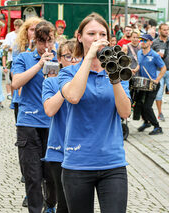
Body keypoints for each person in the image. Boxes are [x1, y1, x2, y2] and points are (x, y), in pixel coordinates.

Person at [58, 13, 131, 213]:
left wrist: (114, 76)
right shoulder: (68, 72)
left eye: (102, 33)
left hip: (112, 163)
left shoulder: (118, 70)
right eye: (91, 33)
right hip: (78, 163)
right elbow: (73, 96)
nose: (97, 38)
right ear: (80, 37)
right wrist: (89, 57)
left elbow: (125, 112)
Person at [12, 20, 57, 213]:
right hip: (28, 122)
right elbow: (16, 83)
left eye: (49, 40)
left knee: (53, 175)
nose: (45, 46)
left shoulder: (62, 59)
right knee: (32, 175)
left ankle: (51, 205)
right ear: (34, 39)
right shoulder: (23, 58)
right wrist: (40, 64)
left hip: (53, 123)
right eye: (41, 41)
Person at [42, 40, 79, 213]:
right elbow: (49, 109)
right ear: (59, 59)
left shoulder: (87, 82)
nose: (73, 61)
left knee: (78, 202)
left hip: (82, 150)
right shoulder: (51, 83)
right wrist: (66, 87)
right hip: (59, 150)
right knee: (64, 201)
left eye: (78, 57)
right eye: (68, 56)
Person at [132, 34, 166, 134]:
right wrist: (135, 69)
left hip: (152, 84)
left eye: (145, 40)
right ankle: (146, 122)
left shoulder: (155, 55)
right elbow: (140, 64)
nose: (142, 41)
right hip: (142, 84)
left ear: (150, 42)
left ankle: (157, 127)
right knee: (139, 103)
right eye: (141, 40)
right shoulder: (139, 53)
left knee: (147, 106)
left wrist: (157, 79)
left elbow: (163, 68)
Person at [2, 19, 23, 100]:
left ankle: (18, 96)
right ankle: (12, 96)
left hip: (20, 59)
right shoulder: (10, 35)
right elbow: (5, 47)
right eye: (17, 26)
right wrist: (14, 49)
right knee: (12, 80)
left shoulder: (22, 36)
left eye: (20, 27)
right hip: (11, 59)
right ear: (14, 27)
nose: (18, 28)